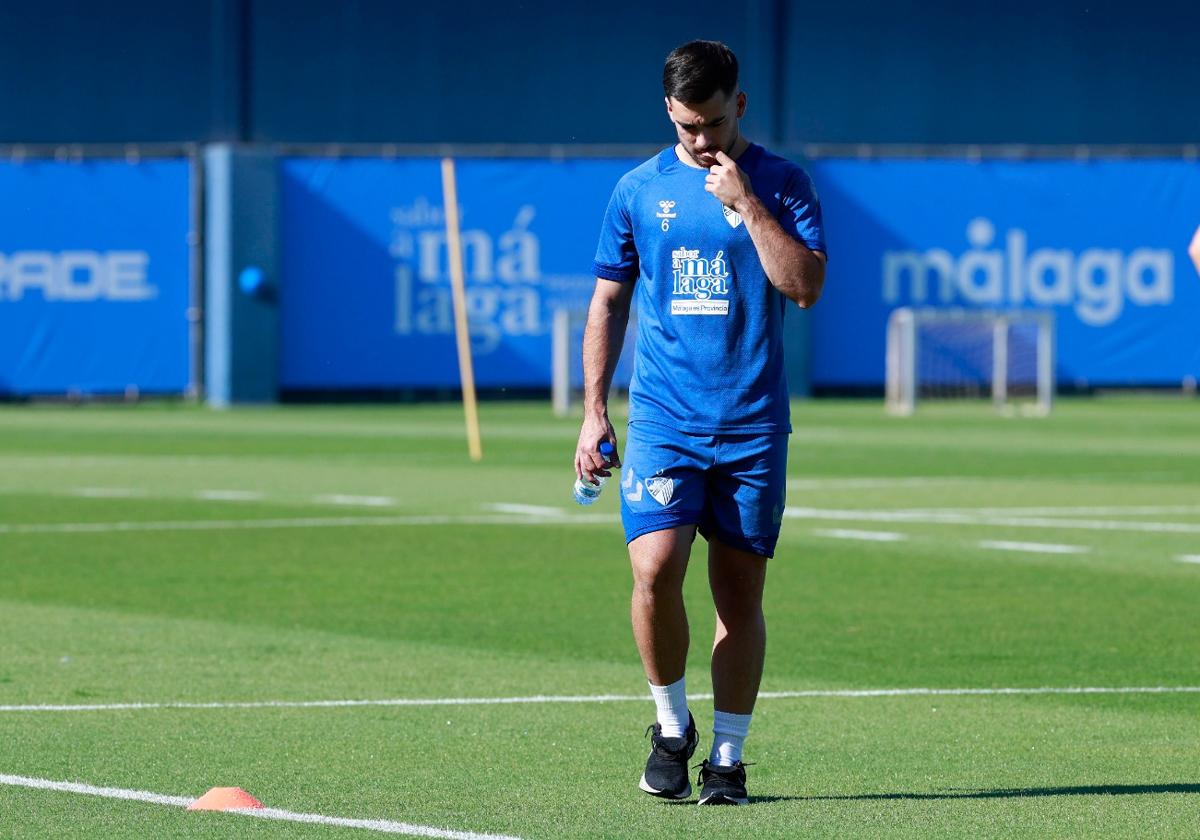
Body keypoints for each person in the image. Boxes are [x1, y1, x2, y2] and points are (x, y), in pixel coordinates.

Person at [573, 39, 827, 806]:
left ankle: (728, 758)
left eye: (713, 123)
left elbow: (806, 287)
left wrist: (746, 203)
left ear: (739, 106)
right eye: (688, 127)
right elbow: (608, 302)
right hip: (663, 420)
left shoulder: (781, 183)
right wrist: (592, 413)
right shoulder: (637, 191)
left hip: (751, 425)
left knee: (739, 595)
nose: (702, 141)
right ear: (669, 114)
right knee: (653, 571)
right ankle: (671, 725)